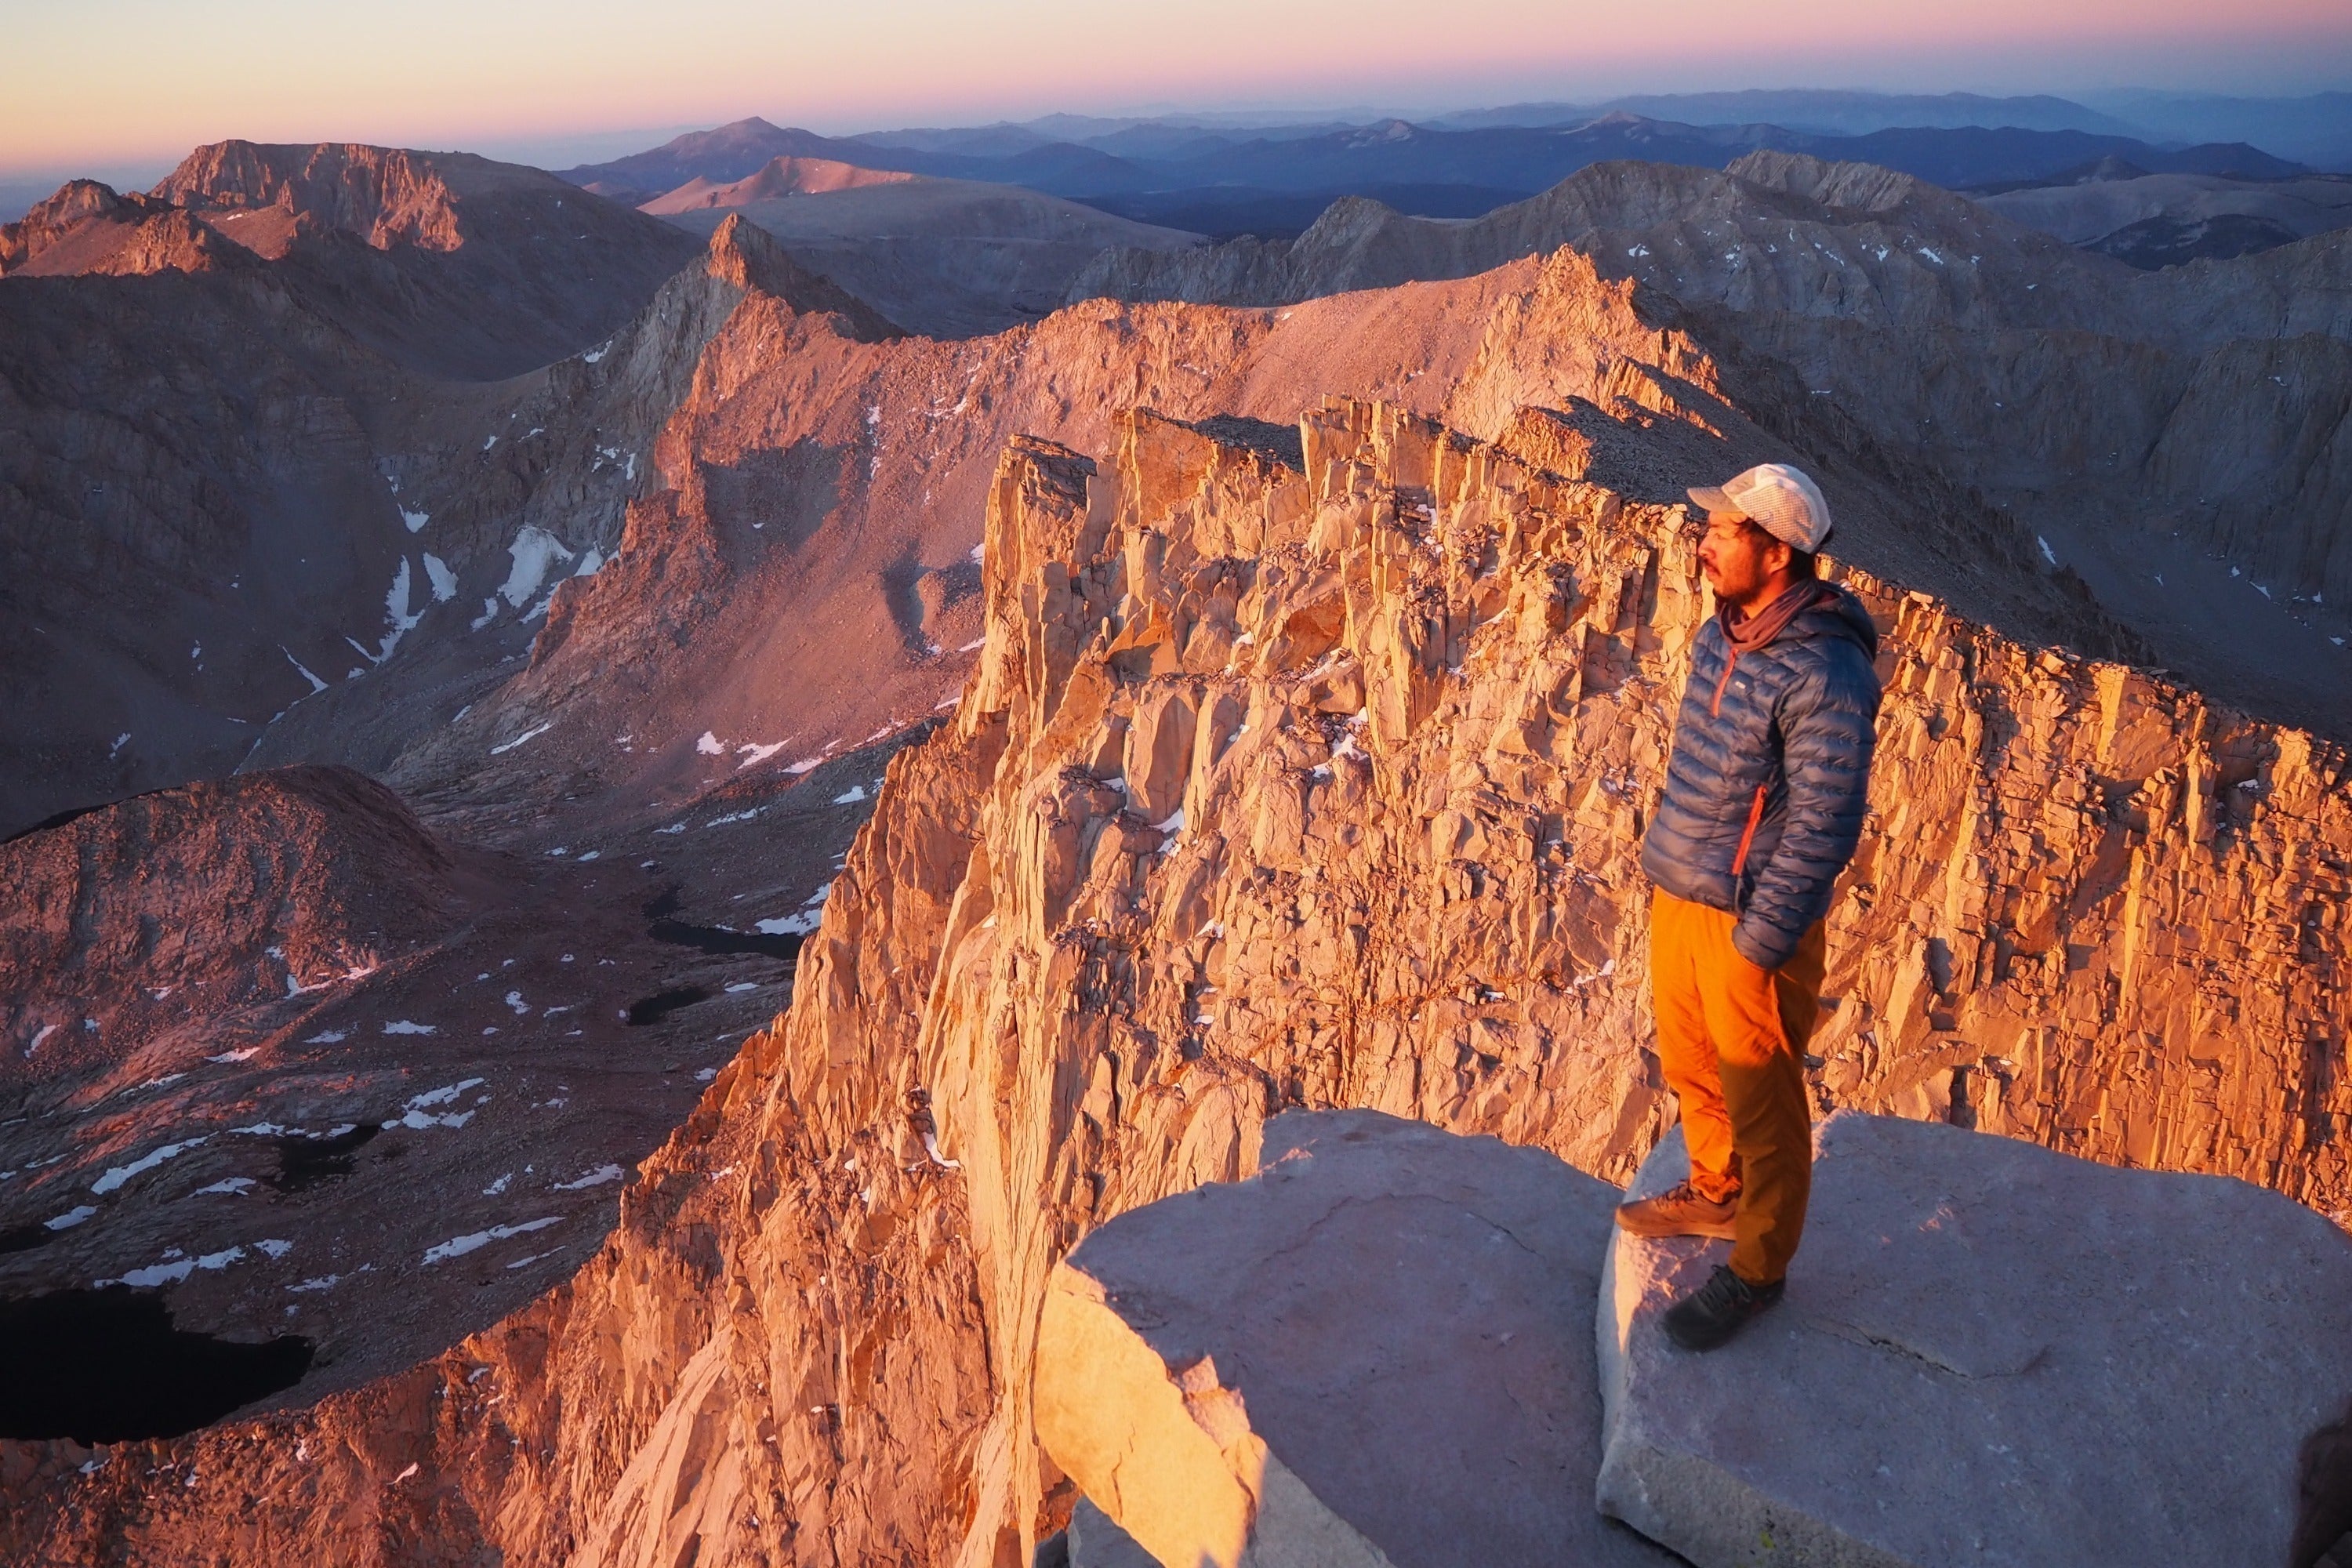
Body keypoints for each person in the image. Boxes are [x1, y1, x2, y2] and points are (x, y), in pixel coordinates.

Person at [1618, 462, 1882, 1351]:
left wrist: (1763, 936)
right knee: (1691, 1058)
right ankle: (1714, 1190)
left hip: (1748, 916)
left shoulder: (1826, 668)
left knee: (1761, 1093)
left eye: (1723, 531)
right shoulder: (1720, 633)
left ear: (1776, 553)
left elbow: (1826, 816)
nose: (1704, 542)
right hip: (1685, 891)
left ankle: (1759, 1268)